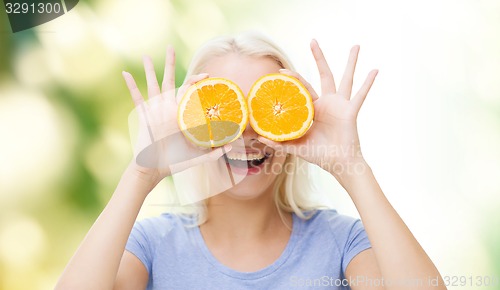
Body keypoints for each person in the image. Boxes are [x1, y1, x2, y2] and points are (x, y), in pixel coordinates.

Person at [55, 33, 446, 290]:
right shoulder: (152, 245)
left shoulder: (342, 242)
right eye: (222, 112)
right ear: (188, 125)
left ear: (296, 120)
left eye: (264, 109)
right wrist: (141, 172)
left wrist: (352, 167)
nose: (246, 133)